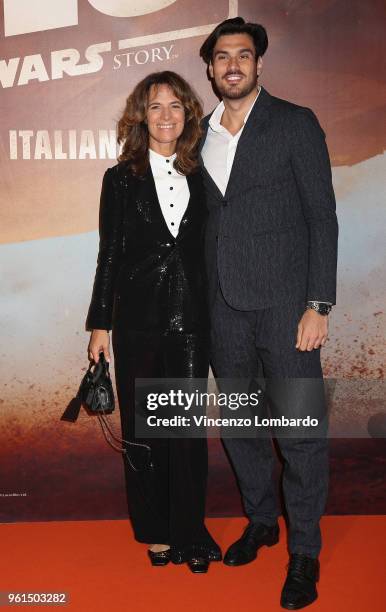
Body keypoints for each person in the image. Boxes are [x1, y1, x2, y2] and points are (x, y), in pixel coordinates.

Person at [199, 17, 338, 608]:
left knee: (301, 433)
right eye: (223, 56)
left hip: (288, 311)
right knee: (240, 427)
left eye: (244, 55)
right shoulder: (197, 134)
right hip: (223, 312)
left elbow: (322, 218)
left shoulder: (295, 123)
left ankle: (304, 551)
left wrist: (319, 304)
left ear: (259, 64)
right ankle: (262, 521)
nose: (233, 64)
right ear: (209, 68)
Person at [85, 71, 221, 573]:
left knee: (184, 432)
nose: (166, 116)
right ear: (141, 116)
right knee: (145, 430)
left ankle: (189, 531)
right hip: (136, 321)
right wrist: (101, 324)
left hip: (192, 318)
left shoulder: (203, 172)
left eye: (176, 106)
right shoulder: (119, 179)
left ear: (188, 114)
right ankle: (156, 531)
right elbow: (110, 255)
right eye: (155, 106)